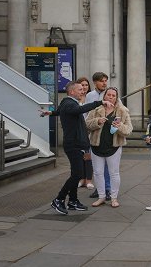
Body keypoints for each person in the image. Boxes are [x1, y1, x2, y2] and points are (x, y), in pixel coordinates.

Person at [40, 81, 109, 215]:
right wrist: (100, 102)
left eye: (83, 89)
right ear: (71, 92)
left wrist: (50, 113)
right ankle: (59, 199)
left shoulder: (67, 104)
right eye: (79, 89)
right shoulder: (70, 104)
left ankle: (73, 201)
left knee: (75, 173)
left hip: (77, 143)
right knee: (77, 174)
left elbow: (60, 111)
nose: (83, 91)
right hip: (73, 145)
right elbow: (79, 110)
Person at [85, 86, 132, 208]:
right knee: (98, 172)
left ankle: (114, 198)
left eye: (113, 95)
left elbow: (128, 130)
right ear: (104, 96)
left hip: (114, 147)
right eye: (108, 95)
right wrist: (97, 121)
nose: (110, 97)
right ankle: (101, 197)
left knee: (114, 173)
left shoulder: (122, 111)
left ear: (116, 98)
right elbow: (86, 124)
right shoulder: (96, 109)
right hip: (96, 146)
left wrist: (119, 126)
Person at [85, 72, 111, 200]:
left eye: (106, 80)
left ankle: (108, 189)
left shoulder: (111, 94)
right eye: (102, 81)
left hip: (108, 134)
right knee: (97, 165)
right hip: (94, 133)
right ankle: (100, 189)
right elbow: (86, 113)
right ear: (95, 82)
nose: (104, 83)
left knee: (108, 165)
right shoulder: (90, 96)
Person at [75, 76, 94, 190]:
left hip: (88, 129)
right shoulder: (75, 99)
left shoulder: (90, 98)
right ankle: (81, 178)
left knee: (88, 155)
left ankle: (89, 179)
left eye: (86, 85)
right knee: (79, 156)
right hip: (78, 130)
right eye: (82, 85)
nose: (84, 87)